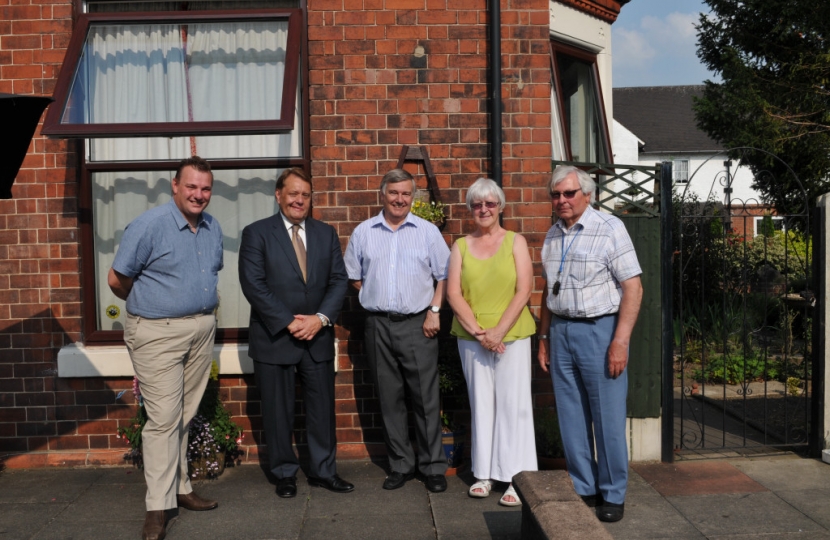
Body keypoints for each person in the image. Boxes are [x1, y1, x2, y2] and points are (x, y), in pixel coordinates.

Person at [108, 156, 223, 540]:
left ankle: (181, 487)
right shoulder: (149, 225)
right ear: (174, 185)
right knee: (162, 420)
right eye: (191, 186)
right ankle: (157, 508)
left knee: (184, 414)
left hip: (201, 329)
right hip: (157, 332)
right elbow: (116, 280)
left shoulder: (212, 227)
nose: (198, 195)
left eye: (205, 188)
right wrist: (154, 305)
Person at [537, 165, 643, 523]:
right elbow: (547, 290)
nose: (562, 200)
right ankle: (585, 487)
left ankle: (613, 493)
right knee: (571, 418)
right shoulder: (552, 235)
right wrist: (544, 337)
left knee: (607, 419)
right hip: (561, 333)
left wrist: (620, 341)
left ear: (587, 194)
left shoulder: (610, 228)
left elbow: (633, 287)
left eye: (568, 193)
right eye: (556, 194)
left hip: (599, 332)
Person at [238, 167, 352, 499]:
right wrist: (289, 322)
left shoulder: (325, 233)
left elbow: (338, 281)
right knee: (277, 412)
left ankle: (323, 471)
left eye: (305, 195)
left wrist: (319, 319)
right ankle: (284, 473)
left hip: (316, 338)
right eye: (293, 193)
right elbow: (253, 285)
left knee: (321, 411)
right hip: (275, 338)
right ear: (278, 195)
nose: (299, 200)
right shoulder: (256, 233)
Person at [343, 168, 450, 493]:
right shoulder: (363, 232)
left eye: (406, 193)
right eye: (394, 193)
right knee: (389, 399)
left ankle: (432, 466)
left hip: (419, 325)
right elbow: (353, 276)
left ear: (412, 197)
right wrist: (373, 296)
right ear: (383, 194)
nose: (400, 199)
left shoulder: (428, 232)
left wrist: (434, 311)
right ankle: (400, 465)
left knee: (425, 398)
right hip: (377, 325)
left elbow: (444, 275)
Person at [446, 178, 538, 507]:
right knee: (481, 403)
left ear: (500, 206)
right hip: (473, 337)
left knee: (514, 405)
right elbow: (453, 293)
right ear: (470, 209)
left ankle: (517, 477)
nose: (483, 209)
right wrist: (481, 333)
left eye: (489, 203)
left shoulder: (515, 241)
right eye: (476, 204)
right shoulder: (459, 246)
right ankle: (484, 473)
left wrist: (498, 331)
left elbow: (524, 290)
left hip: (511, 333)